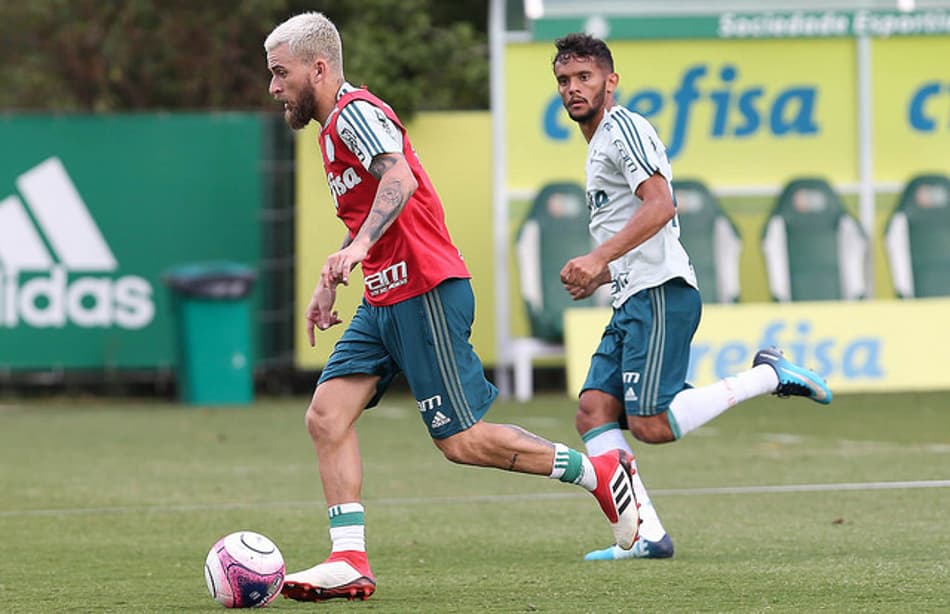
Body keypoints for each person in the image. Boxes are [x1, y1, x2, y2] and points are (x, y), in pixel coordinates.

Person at [263, 13, 641, 602]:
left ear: (318, 67)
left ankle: (600, 473)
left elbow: (399, 181)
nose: (274, 88)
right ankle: (349, 558)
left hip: (424, 289)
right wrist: (332, 275)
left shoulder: (356, 113)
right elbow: (370, 210)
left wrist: (360, 247)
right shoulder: (330, 130)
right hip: (383, 297)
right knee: (326, 417)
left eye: (280, 73)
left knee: (462, 442)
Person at [552, 33, 833, 561]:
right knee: (593, 412)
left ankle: (769, 373)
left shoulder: (622, 128)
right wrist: (602, 274)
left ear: (610, 82)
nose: (573, 88)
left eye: (584, 78)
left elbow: (661, 205)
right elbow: (640, 229)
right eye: (565, 81)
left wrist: (597, 259)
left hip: (660, 296)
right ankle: (645, 535)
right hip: (633, 296)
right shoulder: (597, 145)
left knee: (651, 425)